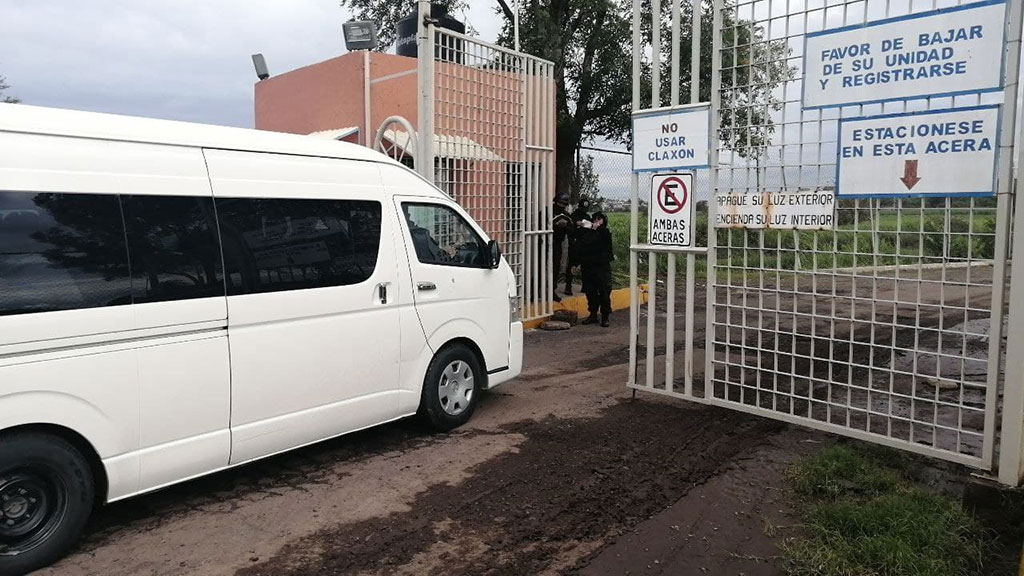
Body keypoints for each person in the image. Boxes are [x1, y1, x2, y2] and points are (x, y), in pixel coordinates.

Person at [577, 211, 614, 327]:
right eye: (595, 219)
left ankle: (605, 316)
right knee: (590, 291)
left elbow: (598, 242)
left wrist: (595, 230)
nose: (597, 222)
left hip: (601, 267)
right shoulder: (587, 232)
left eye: (600, 219)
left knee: (604, 291)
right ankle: (593, 314)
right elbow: (584, 243)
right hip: (588, 266)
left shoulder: (604, 232)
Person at [565, 198, 591, 295]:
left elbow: (590, 229)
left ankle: (585, 286)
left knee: (585, 266)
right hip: (575, 244)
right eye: (583, 208)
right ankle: (568, 286)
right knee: (572, 265)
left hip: (584, 244)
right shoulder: (573, 217)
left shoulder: (587, 217)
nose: (584, 210)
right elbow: (570, 231)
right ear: (579, 207)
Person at [551, 194, 572, 302]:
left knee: (555, 268)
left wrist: (565, 226)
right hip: (545, 242)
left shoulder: (566, 215)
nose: (561, 206)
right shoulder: (547, 212)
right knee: (540, 267)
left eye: (563, 204)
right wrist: (555, 224)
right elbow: (541, 224)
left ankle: (552, 291)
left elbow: (571, 228)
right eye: (559, 203)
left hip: (558, 243)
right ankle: (535, 291)